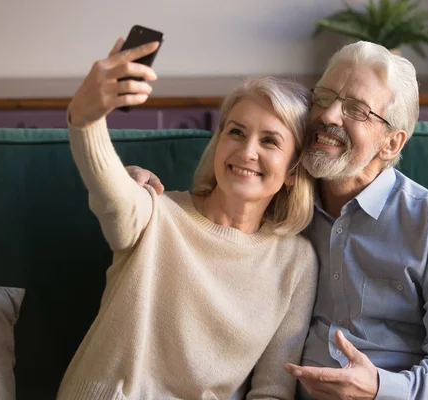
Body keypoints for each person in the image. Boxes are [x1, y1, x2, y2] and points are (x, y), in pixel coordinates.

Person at [129, 40, 428, 400]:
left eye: (356, 109)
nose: (328, 116)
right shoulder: (279, 200)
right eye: (323, 97)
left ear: (391, 143)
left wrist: (381, 388)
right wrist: (133, 184)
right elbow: (202, 219)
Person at [57, 37, 319, 400]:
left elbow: (273, 389)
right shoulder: (156, 213)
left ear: (293, 170)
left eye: (270, 141)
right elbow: (111, 196)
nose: (247, 151)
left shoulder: (296, 260)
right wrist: (86, 120)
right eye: (236, 132)